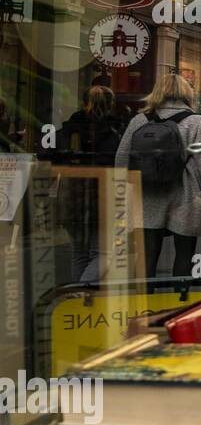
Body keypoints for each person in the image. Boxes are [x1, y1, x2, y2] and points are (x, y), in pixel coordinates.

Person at [116, 72, 201, 279]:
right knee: (185, 254)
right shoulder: (197, 121)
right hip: (186, 195)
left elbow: (121, 159)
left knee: (148, 256)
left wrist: (125, 191)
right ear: (187, 93)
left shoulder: (140, 120)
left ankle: (148, 304)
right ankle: (180, 302)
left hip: (147, 194)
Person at [51, 85, 126, 281]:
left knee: (79, 253)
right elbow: (120, 161)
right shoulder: (116, 129)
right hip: (103, 193)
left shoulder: (70, 128)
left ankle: (78, 296)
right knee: (101, 254)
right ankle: (81, 291)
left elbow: (55, 157)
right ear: (110, 104)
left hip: (72, 193)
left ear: (84, 102)